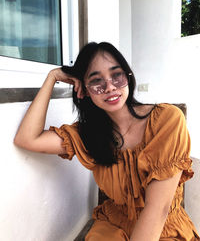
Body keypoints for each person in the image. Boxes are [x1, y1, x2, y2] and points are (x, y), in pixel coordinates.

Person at [14, 42, 199, 241]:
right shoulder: (88, 134)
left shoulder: (167, 120)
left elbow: (158, 209)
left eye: (116, 75)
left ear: (128, 76)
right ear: (84, 90)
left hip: (163, 229)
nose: (109, 87)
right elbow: (27, 139)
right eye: (96, 81)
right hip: (113, 225)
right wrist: (52, 77)